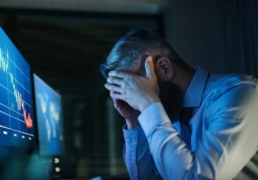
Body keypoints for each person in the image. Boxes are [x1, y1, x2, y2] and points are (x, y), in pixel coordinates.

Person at [101, 30, 258, 179]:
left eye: (135, 87)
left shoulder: (240, 94)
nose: (133, 100)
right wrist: (134, 121)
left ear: (164, 68)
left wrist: (149, 104)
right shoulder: (167, 112)